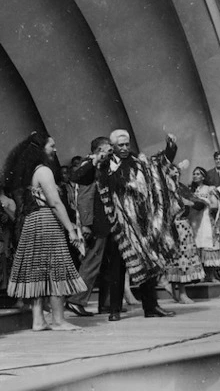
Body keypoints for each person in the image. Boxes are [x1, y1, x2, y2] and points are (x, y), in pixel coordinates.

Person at [4, 131, 86, 331]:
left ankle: (38, 320)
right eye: (52, 146)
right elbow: (55, 202)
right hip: (46, 221)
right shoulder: (44, 171)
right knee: (56, 267)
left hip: (32, 222)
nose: (55, 150)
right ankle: (58, 320)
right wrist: (71, 230)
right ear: (41, 149)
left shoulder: (30, 171)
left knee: (38, 271)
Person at [95, 130, 179, 318]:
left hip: (141, 225)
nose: (125, 148)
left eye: (127, 144)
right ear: (113, 146)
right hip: (118, 225)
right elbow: (81, 176)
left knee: (148, 263)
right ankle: (114, 309)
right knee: (117, 268)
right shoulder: (105, 165)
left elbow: (159, 164)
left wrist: (171, 148)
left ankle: (151, 307)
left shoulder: (139, 163)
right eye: (120, 145)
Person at [66, 136, 127, 320]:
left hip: (104, 224)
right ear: (99, 150)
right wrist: (86, 225)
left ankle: (105, 304)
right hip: (96, 225)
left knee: (104, 265)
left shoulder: (100, 165)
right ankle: (76, 300)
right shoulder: (89, 165)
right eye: (108, 149)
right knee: (92, 263)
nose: (111, 152)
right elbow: (84, 198)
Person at [166, 165, 206, 303]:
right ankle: (178, 292)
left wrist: (191, 203)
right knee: (175, 259)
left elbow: (198, 202)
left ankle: (181, 292)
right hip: (172, 225)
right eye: (173, 171)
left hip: (183, 225)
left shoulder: (181, 187)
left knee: (183, 259)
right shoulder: (164, 188)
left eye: (178, 171)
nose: (176, 173)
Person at [188, 167, 220, 282]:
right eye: (194, 173)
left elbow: (214, 205)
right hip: (194, 220)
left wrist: (204, 202)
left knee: (208, 245)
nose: (195, 176)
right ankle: (199, 275)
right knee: (196, 245)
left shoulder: (209, 189)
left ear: (203, 176)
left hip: (205, 219)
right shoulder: (191, 190)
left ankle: (211, 275)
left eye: (198, 174)